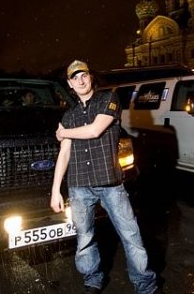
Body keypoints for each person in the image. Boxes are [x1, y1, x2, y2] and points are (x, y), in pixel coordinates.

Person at [50, 60, 160, 294]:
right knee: (84, 239)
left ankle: (146, 286)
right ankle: (93, 280)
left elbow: (95, 130)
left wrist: (63, 132)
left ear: (90, 77)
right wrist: (55, 190)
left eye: (84, 75)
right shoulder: (69, 115)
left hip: (110, 183)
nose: (80, 80)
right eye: (75, 77)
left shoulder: (108, 99)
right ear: (70, 84)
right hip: (79, 185)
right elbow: (64, 153)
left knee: (131, 236)